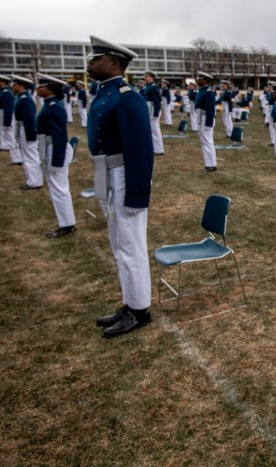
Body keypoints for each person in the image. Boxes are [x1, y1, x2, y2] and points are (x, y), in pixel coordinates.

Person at [86, 35, 154, 338]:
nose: (90, 62)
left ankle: (139, 310)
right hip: (109, 173)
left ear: (114, 64)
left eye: (95, 58)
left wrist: (137, 194)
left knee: (131, 244)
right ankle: (129, 302)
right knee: (118, 243)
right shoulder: (105, 94)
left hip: (125, 176)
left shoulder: (128, 97)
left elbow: (140, 149)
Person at [36, 73, 77, 238]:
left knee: (60, 189)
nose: (38, 89)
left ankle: (67, 224)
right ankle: (66, 222)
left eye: (41, 86)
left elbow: (59, 135)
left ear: (50, 88)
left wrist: (57, 160)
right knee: (56, 188)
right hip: (50, 148)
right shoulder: (50, 105)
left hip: (55, 149)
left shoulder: (54, 107)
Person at [11, 75, 43, 190]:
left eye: (15, 84)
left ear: (21, 85)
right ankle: (32, 180)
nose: (13, 86)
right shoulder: (22, 97)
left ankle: (36, 181)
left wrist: (30, 136)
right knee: (26, 156)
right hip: (23, 129)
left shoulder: (25, 99)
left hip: (26, 130)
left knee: (30, 156)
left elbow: (29, 119)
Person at [194, 71, 217, 172]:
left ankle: (212, 164)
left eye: (200, 78)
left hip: (206, 119)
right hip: (201, 118)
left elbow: (210, 109)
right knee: (204, 142)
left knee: (208, 142)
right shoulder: (202, 91)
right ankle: (208, 164)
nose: (198, 80)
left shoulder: (209, 92)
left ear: (205, 80)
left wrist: (209, 123)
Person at [0, 73, 19, 159]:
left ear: (3, 82)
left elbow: (8, 108)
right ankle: (14, 157)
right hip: (2, 114)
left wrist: (7, 122)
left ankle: (17, 158)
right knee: (8, 135)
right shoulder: (2, 91)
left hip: (6, 115)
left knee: (11, 136)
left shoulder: (6, 92)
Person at [143, 71, 164, 155]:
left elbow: (157, 101)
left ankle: (159, 149)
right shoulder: (149, 86)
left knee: (155, 130)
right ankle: (155, 148)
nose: (145, 78)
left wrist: (156, 113)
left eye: (146, 76)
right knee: (152, 130)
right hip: (149, 109)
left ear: (151, 77)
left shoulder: (154, 87)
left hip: (153, 109)